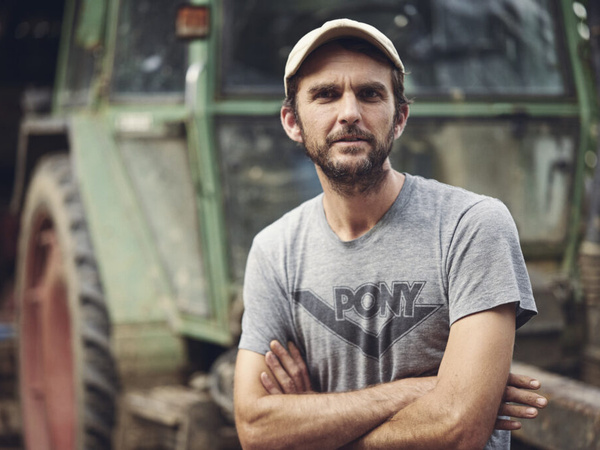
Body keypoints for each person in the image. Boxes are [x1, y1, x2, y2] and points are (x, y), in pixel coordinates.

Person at [234, 18, 547, 450]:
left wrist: (315, 430)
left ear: (399, 118)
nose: (349, 112)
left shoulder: (470, 226)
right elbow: (255, 429)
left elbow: (459, 429)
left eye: (370, 94)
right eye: (326, 95)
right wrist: (418, 391)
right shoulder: (275, 251)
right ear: (292, 121)